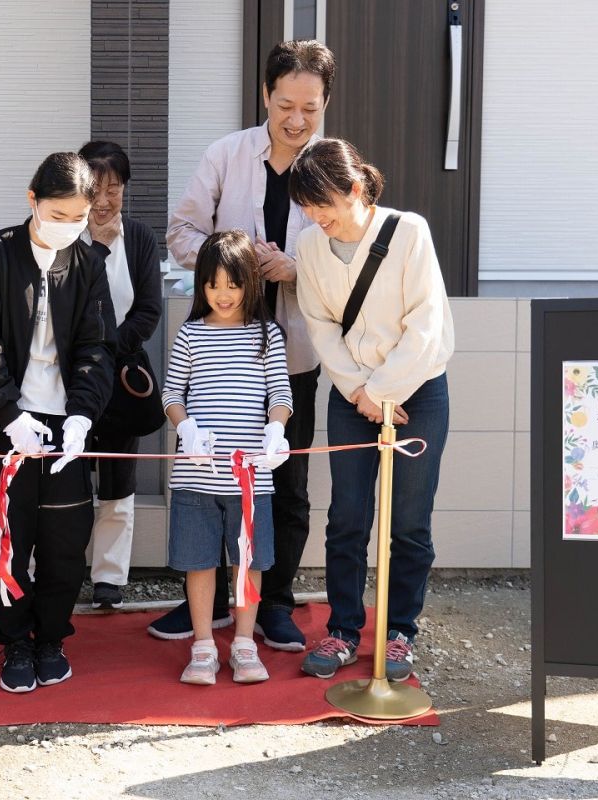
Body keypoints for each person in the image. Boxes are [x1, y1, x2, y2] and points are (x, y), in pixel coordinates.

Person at [158, 40, 337, 650]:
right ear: (265, 95)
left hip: (295, 356)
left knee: (285, 484)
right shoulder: (226, 155)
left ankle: (275, 602)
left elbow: (351, 256)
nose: (296, 119)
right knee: (204, 485)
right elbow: (180, 230)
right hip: (216, 352)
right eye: (285, 103)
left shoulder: (335, 168)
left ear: (324, 105)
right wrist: (229, 260)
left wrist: (296, 268)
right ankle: (199, 604)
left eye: (309, 108)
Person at [288, 138, 453, 682]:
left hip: (417, 392)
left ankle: (400, 630)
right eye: (307, 208)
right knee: (348, 517)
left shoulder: (409, 232)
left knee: (408, 519)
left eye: (323, 205)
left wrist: (384, 392)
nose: (315, 218)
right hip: (349, 392)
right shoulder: (311, 246)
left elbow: (425, 324)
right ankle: (342, 628)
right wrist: (361, 392)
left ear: (355, 189)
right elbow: (320, 326)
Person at [0, 152, 115, 694]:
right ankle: (15, 639)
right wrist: (7, 414)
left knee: (67, 538)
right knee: (6, 537)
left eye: (78, 217)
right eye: (57, 213)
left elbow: (97, 348)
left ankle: (52, 637)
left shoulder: (88, 263)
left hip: (66, 425)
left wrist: (83, 417)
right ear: (32, 200)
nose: (67, 226)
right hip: (10, 424)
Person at [163, 230, 292, 685]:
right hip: (196, 477)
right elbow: (170, 393)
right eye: (213, 284)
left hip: (250, 480)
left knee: (248, 563)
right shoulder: (190, 335)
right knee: (199, 563)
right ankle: (202, 646)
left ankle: (243, 643)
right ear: (201, 286)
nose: (223, 294)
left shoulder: (267, 335)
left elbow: (281, 392)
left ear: (250, 284)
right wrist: (186, 427)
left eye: (233, 284)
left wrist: (276, 428)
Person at [76, 140, 163, 610]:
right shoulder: (65, 233)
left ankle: (110, 576)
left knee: (118, 476)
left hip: (122, 375)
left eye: (115, 189)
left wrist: (109, 352)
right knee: (64, 476)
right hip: (69, 379)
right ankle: (63, 567)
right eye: (95, 189)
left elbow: (148, 309)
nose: (105, 201)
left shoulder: (142, 238)